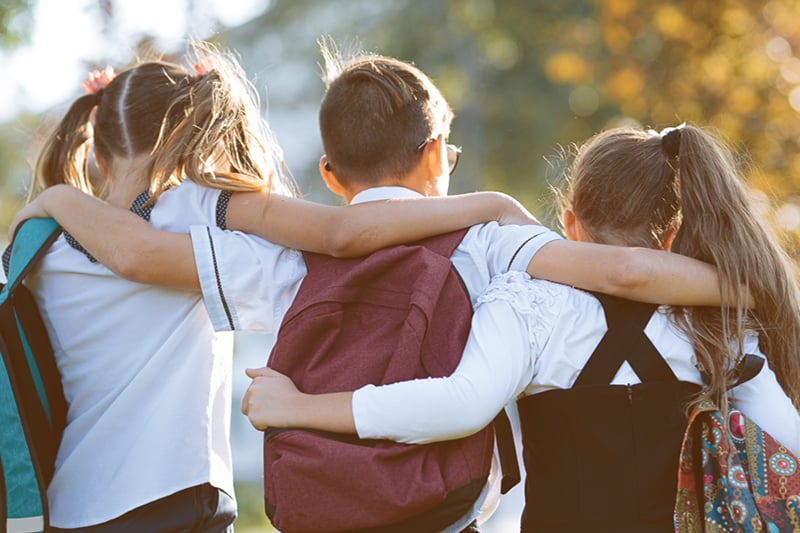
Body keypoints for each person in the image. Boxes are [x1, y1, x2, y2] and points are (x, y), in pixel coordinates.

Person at [14, 45, 734, 531]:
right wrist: (749, 286)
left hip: (313, 502)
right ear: (434, 156)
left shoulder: (276, 264)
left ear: (330, 174)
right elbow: (621, 271)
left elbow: (150, 254)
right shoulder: (490, 240)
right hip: (454, 507)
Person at [240, 124, 800, 531]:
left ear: (569, 222)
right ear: (675, 233)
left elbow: (459, 406)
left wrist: (299, 407)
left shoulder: (527, 305)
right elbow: (788, 445)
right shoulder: (718, 323)